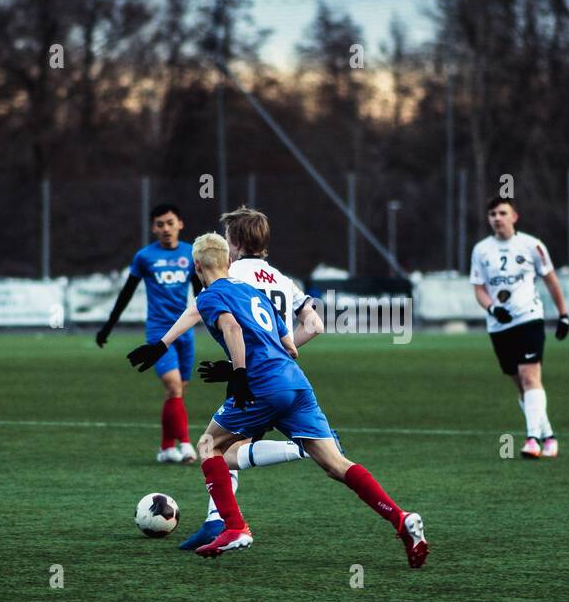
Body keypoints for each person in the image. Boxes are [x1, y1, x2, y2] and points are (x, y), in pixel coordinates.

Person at [127, 232, 428, 568]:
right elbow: (290, 347)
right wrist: (165, 345)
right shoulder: (252, 292)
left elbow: (232, 329)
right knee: (335, 465)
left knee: (209, 446)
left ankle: (235, 527)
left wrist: (239, 373)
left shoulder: (212, 295)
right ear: (228, 261)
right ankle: (401, 519)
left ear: (196, 265)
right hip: (296, 384)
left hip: (261, 386)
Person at [179, 204, 327, 550]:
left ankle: (224, 521)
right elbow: (315, 325)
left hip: (255, 374)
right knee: (225, 445)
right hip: (285, 372)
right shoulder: (282, 279)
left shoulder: (233, 277)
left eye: (228, 238)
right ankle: (218, 520)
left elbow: (206, 312)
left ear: (236, 242)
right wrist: (281, 346)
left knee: (217, 444)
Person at [97, 203, 200, 463]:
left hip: (185, 332)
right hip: (157, 333)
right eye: (160, 224)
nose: (166, 228)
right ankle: (186, 445)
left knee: (177, 392)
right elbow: (127, 292)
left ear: (180, 224)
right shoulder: (145, 257)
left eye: (170, 222)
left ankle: (166, 448)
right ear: (153, 228)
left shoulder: (191, 254)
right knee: (174, 386)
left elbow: (201, 293)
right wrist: (108, 326)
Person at [470, 195, 569, 459]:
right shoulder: (481, 250)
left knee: (530, 377)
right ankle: (549, 437)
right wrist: (492, 308)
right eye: (492, 214)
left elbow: (551, 281)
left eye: (502, 213)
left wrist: (563, 314)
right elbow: (478, 289)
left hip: (529, 318)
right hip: (499, 326)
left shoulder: (532, 245)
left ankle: (532, 440)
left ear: (514, 217)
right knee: (521, 385)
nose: (497, 218)